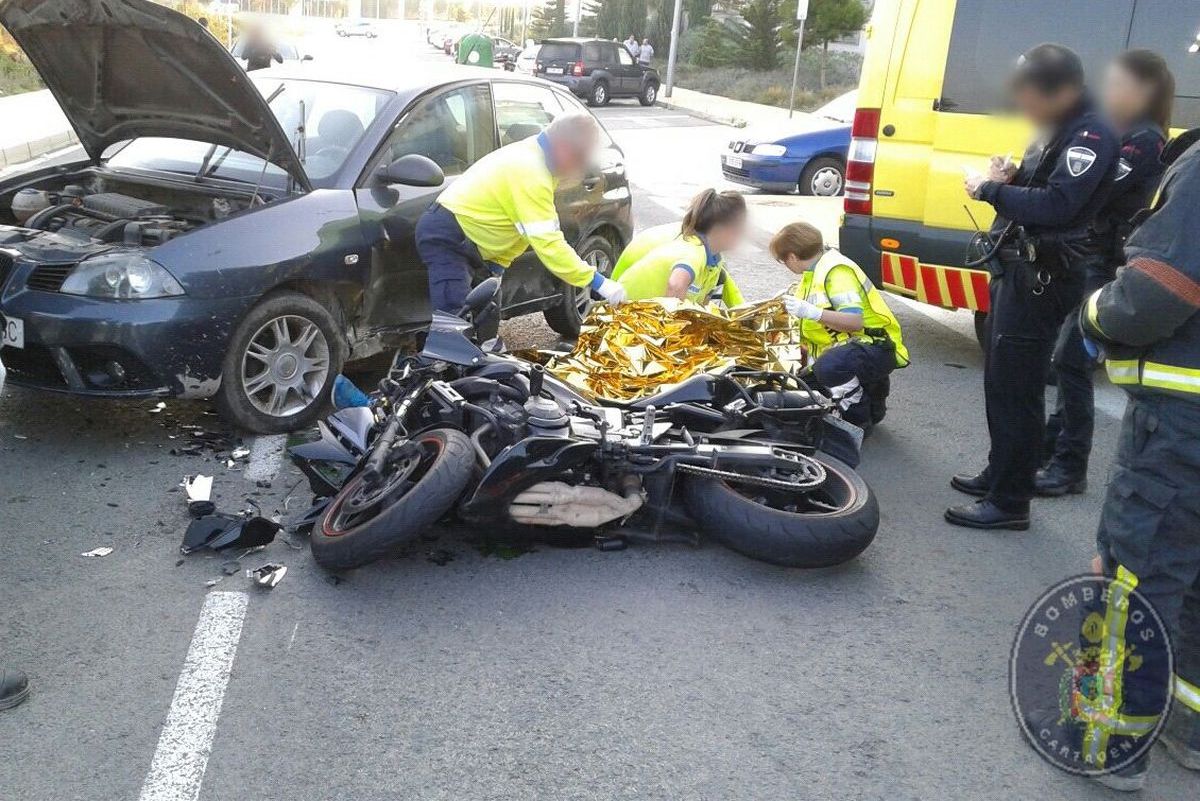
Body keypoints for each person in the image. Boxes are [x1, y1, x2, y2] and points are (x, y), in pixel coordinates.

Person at [946, 44, 1119, 531]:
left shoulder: (1092, 133)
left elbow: (1061, 206)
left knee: (1018, 389)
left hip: (1043, 278)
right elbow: (1044, 189)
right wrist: (1014, 177)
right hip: (1019, 270)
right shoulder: (1059, 125)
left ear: (1062, 91)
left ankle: (1010, 502)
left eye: (1030, 97)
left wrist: (990, 189)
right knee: (1001, 381)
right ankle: (1001, 474)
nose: (1023, 106)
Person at [1077, 122, 1200, 793]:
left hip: (1183, 427)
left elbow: (1154, 291)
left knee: (1140, 578)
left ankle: (1108, 742)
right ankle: (1188, 729)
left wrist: (1094, 314)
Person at [1039, 50, 1172, 497]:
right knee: (1067, 359)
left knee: (1072, 362)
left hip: (1108, 264)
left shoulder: (1144, 140)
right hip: (1093, 259)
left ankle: (1069, 466)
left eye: (1117, 84)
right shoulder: (1124, 133)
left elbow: (1096, 185)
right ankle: (1049, 450)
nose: (1107, 92)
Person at [416, 113, 626, 315]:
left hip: (474, 244)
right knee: (456, 325)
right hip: (449, 239)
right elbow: (549, 244)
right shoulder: (531, 172)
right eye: (580, 158)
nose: (580, 168)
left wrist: (497, 267)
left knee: (485, 318)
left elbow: (519, 229)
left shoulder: (541, 158)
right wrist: (598, 282)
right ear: (563, 147)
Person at [772, 222, 908, 429]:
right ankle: (873, 397)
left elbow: (855, 322)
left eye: (784, 261)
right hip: (854, 350)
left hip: (875, 345)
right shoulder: (815, 271)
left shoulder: (836, 272)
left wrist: (812, 312)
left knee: (830, 368)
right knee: (803, 388)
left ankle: (856, 422)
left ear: (791, 256)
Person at [614, 189, 747, 307]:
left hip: (635, 314)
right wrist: (675, 327)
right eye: (741, 227)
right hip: (621, 313)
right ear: (724, 229)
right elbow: (676, 285)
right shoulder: (693, 251)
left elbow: (714, 298)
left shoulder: (713, 259)